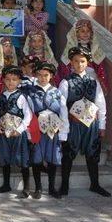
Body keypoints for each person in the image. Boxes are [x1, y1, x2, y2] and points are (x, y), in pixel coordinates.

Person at [58, 47, 110, 197]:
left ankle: (95, 184)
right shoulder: (65, 82)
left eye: (82, 61)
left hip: (91, 125)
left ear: (87, 63)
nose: (79, 64)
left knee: (93, 153)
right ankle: (64, 186)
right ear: (71, 63)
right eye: (76, 61)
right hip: (73, 124)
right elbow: (62, 106)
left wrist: (102, 125)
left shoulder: (94, 82)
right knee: (68, 153)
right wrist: (64, 127)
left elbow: (101, 104)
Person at [27, 62, 66, 199]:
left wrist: (63, 132)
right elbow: (29, 112)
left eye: (46, 75)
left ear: (51, 76)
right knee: (37, 158)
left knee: (52, 158)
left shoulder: (57, 92)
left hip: (53, 129)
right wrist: (29, 131)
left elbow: (63, 112)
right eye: (39, 75)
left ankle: (51, 188)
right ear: (35, 75)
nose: (43, 78)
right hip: (37, 128)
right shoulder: (31, 92)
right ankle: (38, 188)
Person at [0, 66, 33, 198]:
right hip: (4, 132)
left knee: (22, 159)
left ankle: (26, 187)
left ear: (19, 81)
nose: (11, 82)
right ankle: (6, 184)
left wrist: (20, 129)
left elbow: (28, 115)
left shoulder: (21, 96)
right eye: (8, 79)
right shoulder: (1, 97)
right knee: (4, 157)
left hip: (17, 133)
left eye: (14, 80)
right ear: (4, 80)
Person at [59, 19, 109, 94]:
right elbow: (65, 66)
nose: (86, 33)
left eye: (88, 31)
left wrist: (101, 80)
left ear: (91, 33)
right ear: (77, 33)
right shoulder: (71, 48)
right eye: (82, 31)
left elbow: (100, 66)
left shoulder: (94, 48)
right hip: (75, 80)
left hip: (91, 79)